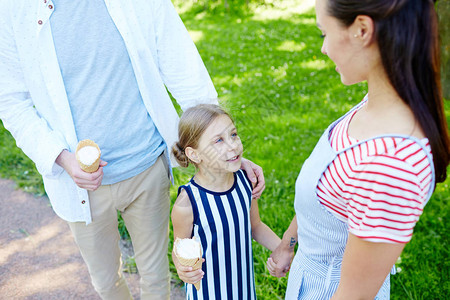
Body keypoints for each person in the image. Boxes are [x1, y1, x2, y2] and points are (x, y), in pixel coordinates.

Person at [0, 1, 265, 299]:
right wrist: (62, 158)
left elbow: (184, 69)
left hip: (146, 167)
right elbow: (11, 101)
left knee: (155, 278)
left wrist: (221, 151)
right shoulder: (13, 9)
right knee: (106, 282)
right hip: (78, 185)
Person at [267, 0, 450, 299]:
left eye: (323, 33)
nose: (323, 48)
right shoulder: (374, 106)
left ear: (362, 30)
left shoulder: (392, 166)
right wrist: (290, 244)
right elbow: (324, 193)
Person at [170, 104, 281, 299]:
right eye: (219, 140)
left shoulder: (246, 182)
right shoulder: (187, 203)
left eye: (233, 134)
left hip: (244, 290)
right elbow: (180, 248)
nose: (233, 145)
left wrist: (284, 251)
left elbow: (255, 226)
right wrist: (182, 268)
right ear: (194, 154)